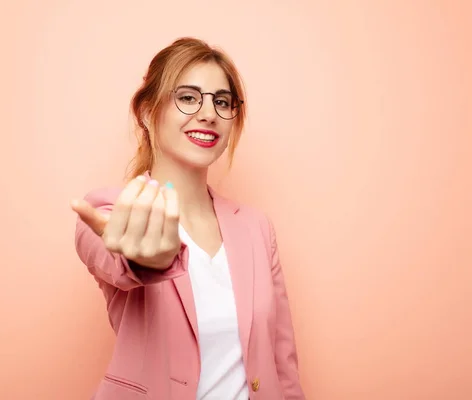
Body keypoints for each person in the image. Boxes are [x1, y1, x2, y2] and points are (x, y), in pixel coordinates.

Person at [70, 37, 305, 400]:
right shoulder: (111, 210)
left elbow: (282, 362)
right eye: (188, 97)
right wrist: (147, 259)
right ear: (148, 113)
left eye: (222, 101)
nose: (209, 113)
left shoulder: (257, 227)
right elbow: (117, 257)